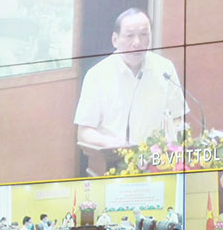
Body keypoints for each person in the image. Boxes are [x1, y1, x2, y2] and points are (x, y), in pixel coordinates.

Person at [73, 9, 188, 149]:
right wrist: (116, 145)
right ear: (115, 40)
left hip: (157, 161)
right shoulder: (97, 75)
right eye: (129, 36)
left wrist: (172, 142)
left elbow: (177, 117)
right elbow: (84, 132)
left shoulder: (165, 69)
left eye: (143, 35)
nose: (137, 43)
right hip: (114, 160)